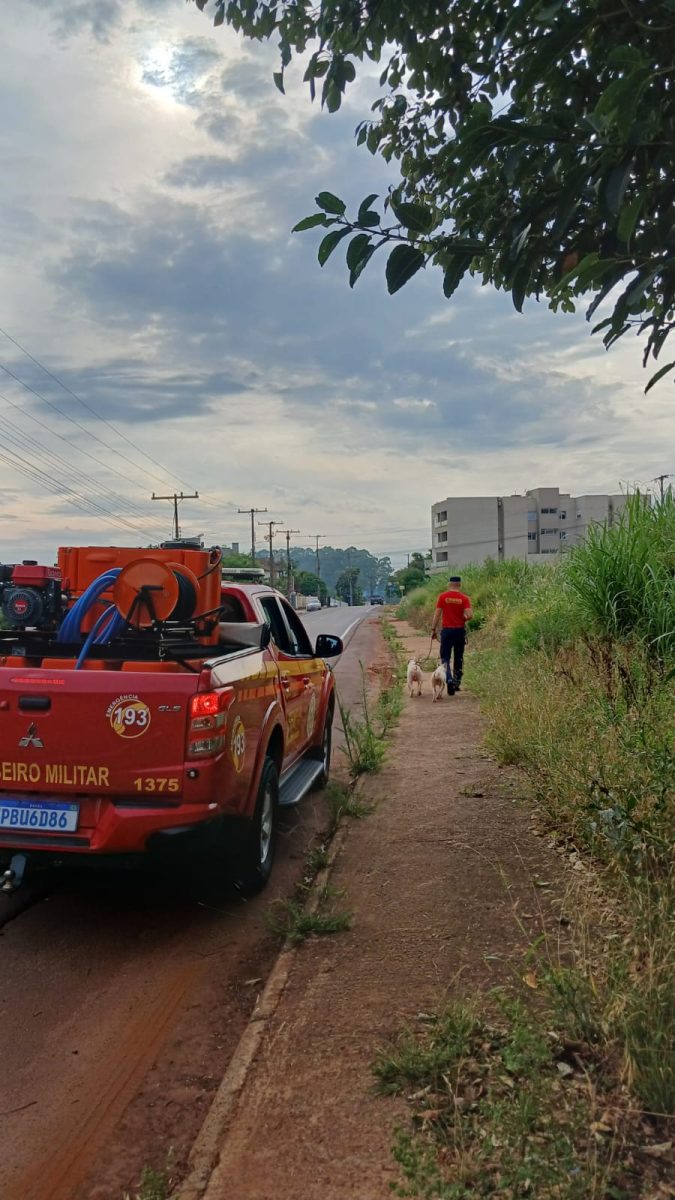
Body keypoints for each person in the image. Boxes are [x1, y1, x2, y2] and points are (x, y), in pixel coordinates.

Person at [431, 575, 473, 695]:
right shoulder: (464, 598)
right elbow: (470, 615)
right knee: (458, 657)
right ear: (459, 585)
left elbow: (437, 614)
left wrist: (433, 629)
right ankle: (456, 683)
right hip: (459, 631)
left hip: (447, 632)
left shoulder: (443, 597)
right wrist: (464, 618)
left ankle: (448, 678)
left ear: (449, 584)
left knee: (445, 658)